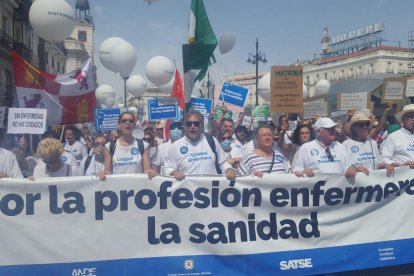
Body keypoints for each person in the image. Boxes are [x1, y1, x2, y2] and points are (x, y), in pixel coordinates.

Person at [164, 110, 236, 181]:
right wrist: (174, 172)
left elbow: (223, 162)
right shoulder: (176, 146)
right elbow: (167, 168)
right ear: (184, 126)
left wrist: (228, 169)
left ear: (201, 125)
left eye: (196, 124)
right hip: (188, 191)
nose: (192, 126)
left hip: (212, 190)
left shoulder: (211, 141)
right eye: (189, 123)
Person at [107, 111, 156, 179]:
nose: (128, 123)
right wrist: (102, 173)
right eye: (124, 121)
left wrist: (151, 172)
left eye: (131, 121)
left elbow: (147, 170)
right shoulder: (109, 147)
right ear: (118, 124)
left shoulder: (143, 145)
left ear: (135, 124)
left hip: (138, 188)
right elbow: (107, 172)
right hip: (117, 188)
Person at [380, 104, 414, 177]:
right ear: (403, 119)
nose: (413, 119)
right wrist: (401, 165)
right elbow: (384, 158)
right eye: (410, 117)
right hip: (404, 179)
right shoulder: (393, 136)